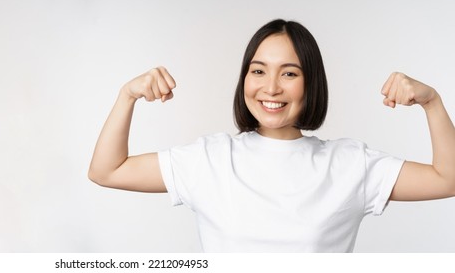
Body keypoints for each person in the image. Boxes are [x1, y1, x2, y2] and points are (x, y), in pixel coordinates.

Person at [87, 19, 455, 252]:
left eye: (290, 73)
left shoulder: (348, 165)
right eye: (258, 71)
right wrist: (127, 95)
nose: (271, 88)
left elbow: (447, 179)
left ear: (312, 84)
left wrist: (433, 103)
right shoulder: (210, 159)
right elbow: (107, 171)